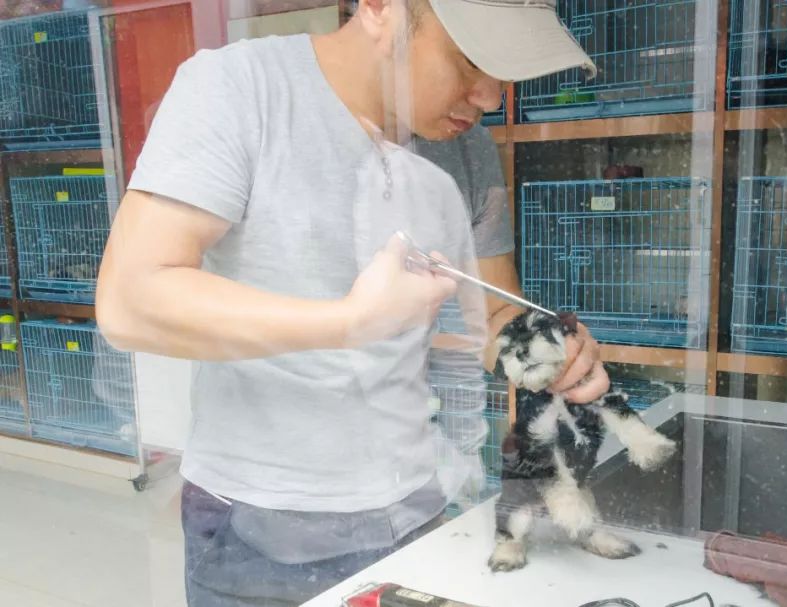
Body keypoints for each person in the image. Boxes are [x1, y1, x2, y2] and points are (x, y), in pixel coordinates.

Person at [95, 1, 610, 605]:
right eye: (469, 59)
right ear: (379, 7)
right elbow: (131, 299)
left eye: (503, 70)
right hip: (261, 528)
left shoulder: (462, 146)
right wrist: (347, 323)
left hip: (414, 511)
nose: (490, 96)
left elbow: (494, 314)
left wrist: (543, 347)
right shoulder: (237, 89)